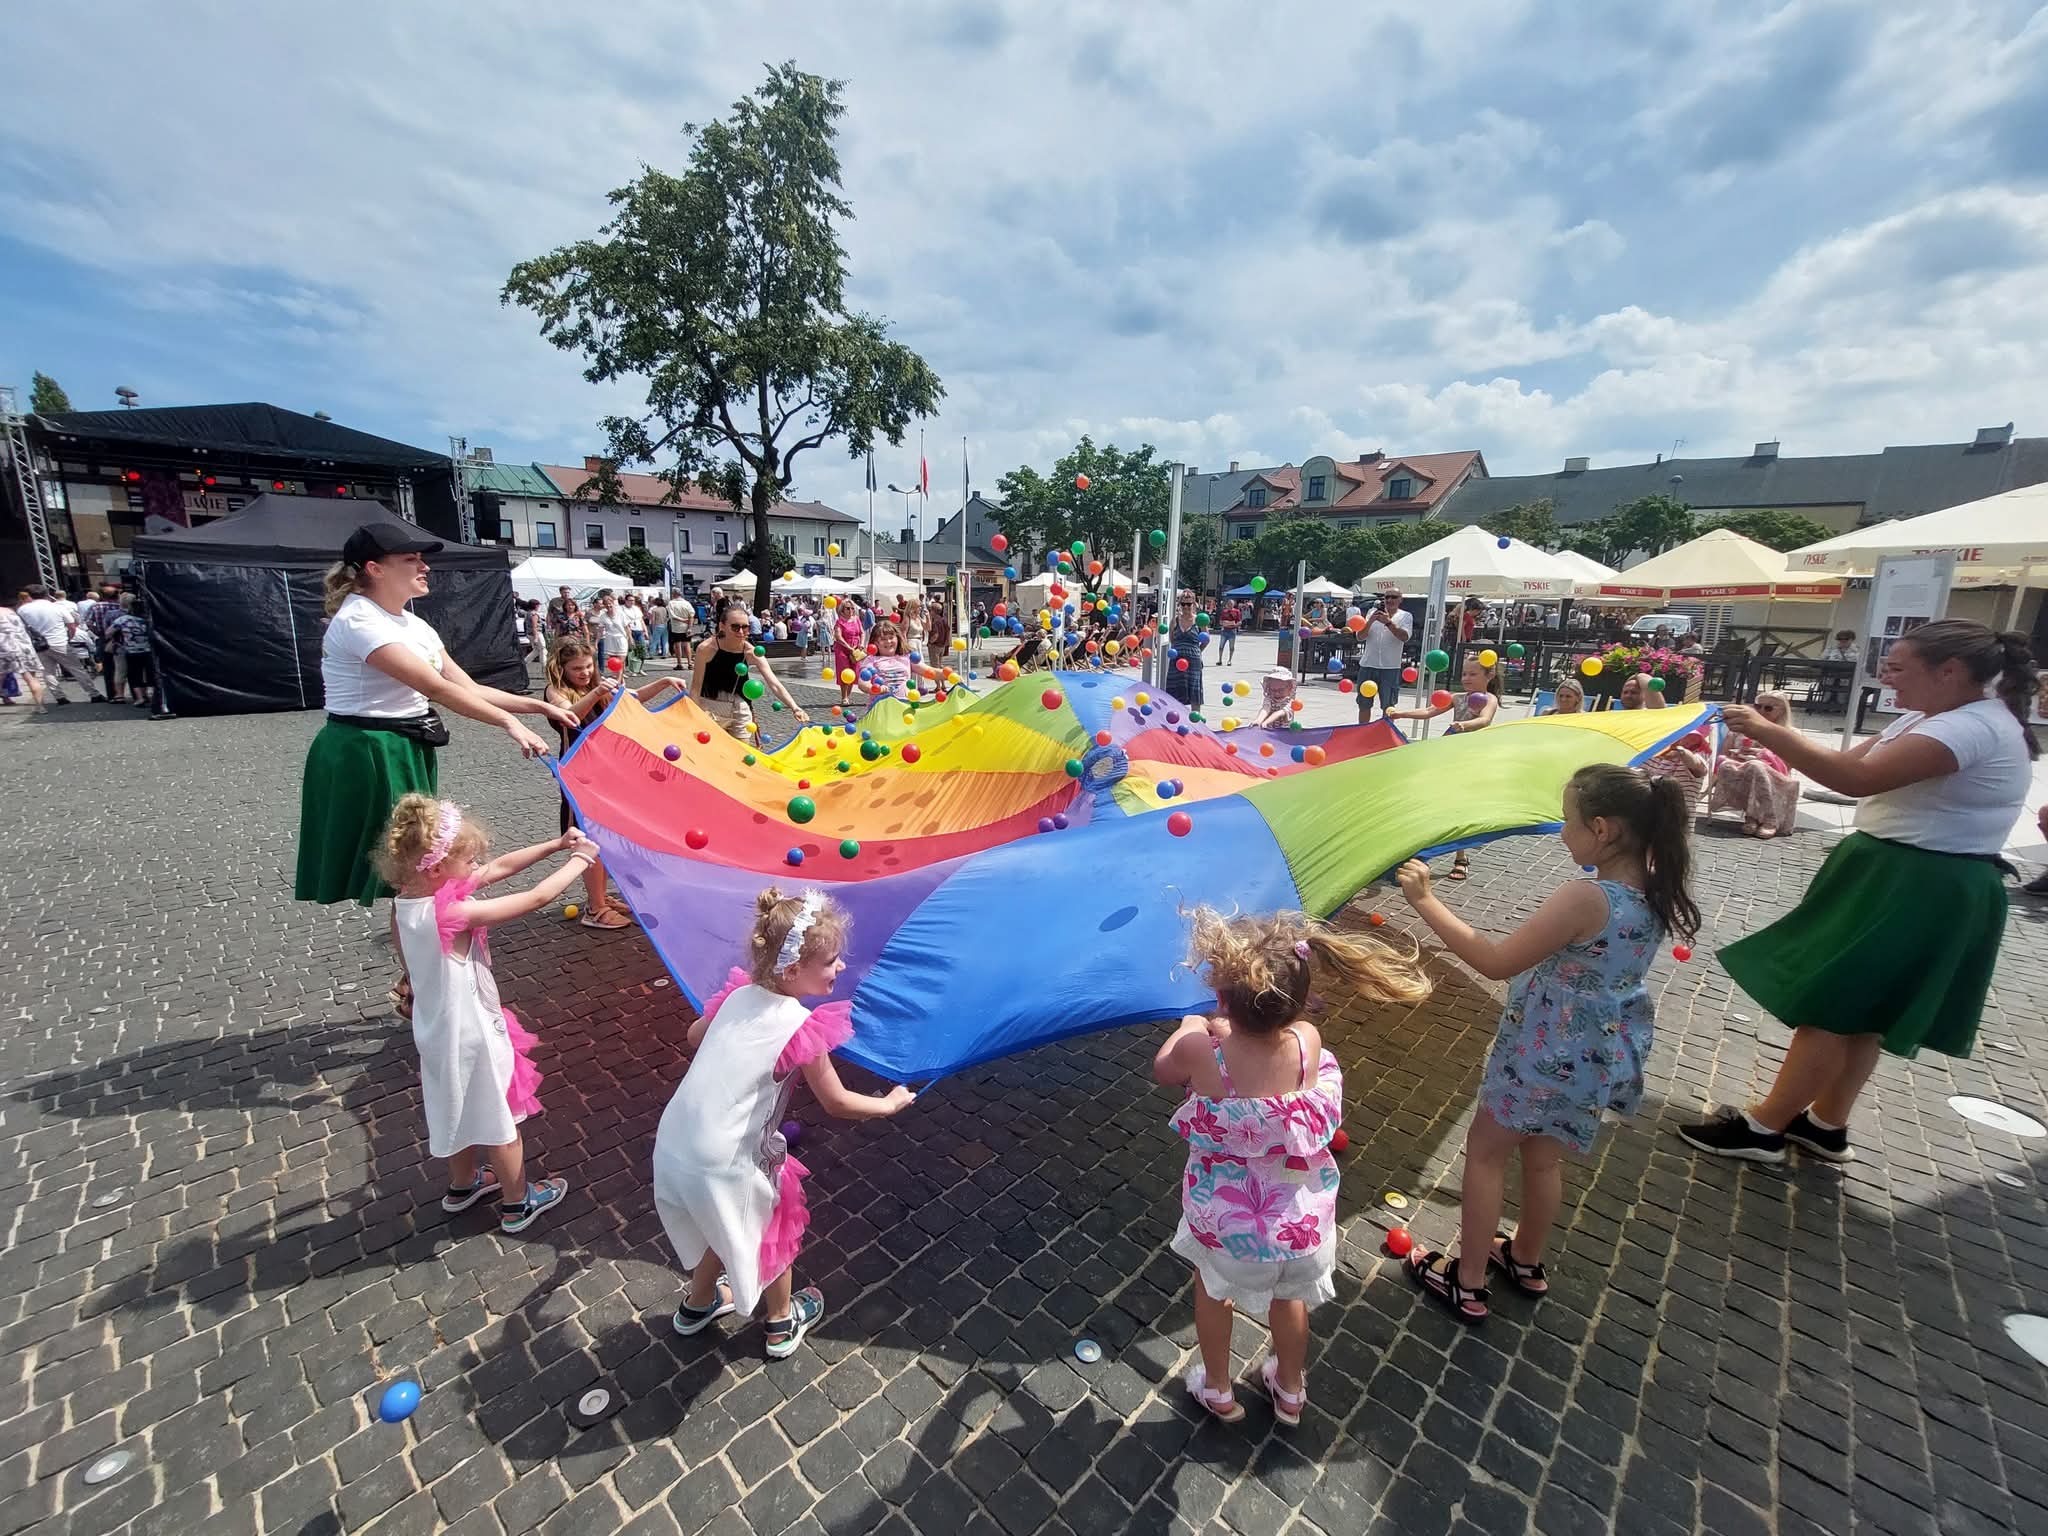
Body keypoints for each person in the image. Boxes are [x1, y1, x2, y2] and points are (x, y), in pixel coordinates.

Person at [1679, 621, 2038, 1165]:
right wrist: (1784, 730)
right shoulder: (1939, 718)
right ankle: (1825, 1123)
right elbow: (1851, 763)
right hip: (1907, 873)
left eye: (1898, 668)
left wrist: (1769, 733)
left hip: (1917, 880)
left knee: (1833, 1005)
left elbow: (1854, 780)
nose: (1885, 678)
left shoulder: (1969, 729)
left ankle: (1765, 1128)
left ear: (1949, 672)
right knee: (1866, 1011)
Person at [1396, 763, 1699, 1322]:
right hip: (1592, 1056)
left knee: (1486, 1155)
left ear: (1602, 830)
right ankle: (1525, 1259)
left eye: (1568, 820)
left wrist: (1424, 901)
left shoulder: (1586, 897)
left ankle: (1464, 1281)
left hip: (1543, 1051)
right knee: (1542, 1161)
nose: (1562, 832)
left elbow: (1495, 961)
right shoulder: (1656, 887)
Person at [1155, 906, 1429, 1422]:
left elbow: (1164, 1068)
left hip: (1229, 1225)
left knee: (1213, 1294)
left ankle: (1217, 1388)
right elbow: (1264, 1044)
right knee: (1290, 1301)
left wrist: (1194, 1026)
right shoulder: (1307, 1040)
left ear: (1220, 997)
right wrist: (1228, 1024)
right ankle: (1290, 1387)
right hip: (1299, 1224)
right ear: (1297, 1001)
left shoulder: (1201, 1050)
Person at [295, 524, 573, 1012]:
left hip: (403, 747)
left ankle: (417, 980)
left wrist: (538, 708)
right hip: (368, 752)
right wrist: (509, 723)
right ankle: (421, 983)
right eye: (411, 561)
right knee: (413, 875)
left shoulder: (413, 623)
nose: (424, 567)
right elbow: (438, 690)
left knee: (421, 872)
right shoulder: (360, 620)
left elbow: (463, 685)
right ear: (375, 570)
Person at [655, 888, 916, 1358]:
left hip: (677, 1143)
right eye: (832, 961)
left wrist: (727, 1023)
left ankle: (697, 1305)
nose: (840, 969)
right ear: (794, 970)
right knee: (773, 1221)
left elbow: (695, 1036)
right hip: (728, 1156)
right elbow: (837, 1103)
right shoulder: (800, 1026)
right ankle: (780, 1323)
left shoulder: (737, 993)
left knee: (726, 1217)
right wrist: (888, 1104)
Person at [380, 794, 582, 1234]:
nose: (478, 868)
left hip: (433, 1030)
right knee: (499, 1116)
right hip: (470, 1031)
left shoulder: (405, 903)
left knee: (456, 1104)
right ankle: (518, 1202)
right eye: (470, 861)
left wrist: (556, 844)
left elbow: (500, 868)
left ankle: (464, 1182)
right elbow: (536, 898)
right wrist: (582, 860)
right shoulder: (452, 912)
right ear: (436, 869)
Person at [545, 637, 683, 927]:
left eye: (587, 666)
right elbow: (570, 717)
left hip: (604, 773)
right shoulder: (556, 691)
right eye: (576, 668)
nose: (583, 672)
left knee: (605, 835)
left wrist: (664, 682)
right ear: (562, 668)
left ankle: (602, 896)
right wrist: (595, 691)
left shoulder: (596, 686)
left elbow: (631, 699)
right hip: (578, 775)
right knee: (588, 836)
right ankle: (594, 909)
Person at [1386, 654, 1502, 881]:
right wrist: (1401, 714)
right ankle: (1420, 852)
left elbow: (1485, 720)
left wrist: (1465, 724)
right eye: (1464, 673)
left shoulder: (1489, 699)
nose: (1466, 678)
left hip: (1472, 755)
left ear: (1490, 675)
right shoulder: (1457, 698)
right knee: (1436, 800)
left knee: (1460, 804)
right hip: (1451, 751)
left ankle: (1461, 856)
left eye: (1473, 674)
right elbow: (1430, 711)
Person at [694, 600, 810, 738]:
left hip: (740, 707)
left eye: (745, 627)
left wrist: (794, 707)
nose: (741, 632)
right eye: (735, 627)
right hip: (710, 706)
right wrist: (693, 715)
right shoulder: (706, 649)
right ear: (722, 626)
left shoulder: (751, 651)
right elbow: (696, 687)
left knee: (743, 754)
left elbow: (774, 683)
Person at [1709, 690, 1800, 837]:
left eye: (1768, 708)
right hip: (1742, 771)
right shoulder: (1741, 730)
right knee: (1727, 765)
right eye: (1758, 707)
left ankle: (1769, 819)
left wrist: (1762, 755)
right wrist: (1738, 755)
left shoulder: (1790, 733)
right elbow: (1724, 755)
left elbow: (1790, 764)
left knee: (1756, 766)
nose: (1762, 711)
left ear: (1782, 711)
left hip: (1775, 775)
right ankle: (1752, 817)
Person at [17, 584, 103, 704]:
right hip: (60, 642)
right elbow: (71, 626)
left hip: (38, 645)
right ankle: (94, 694)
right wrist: (69, 637)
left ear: (29, 595)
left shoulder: (22, 610)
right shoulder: (57, 607)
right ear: (46, 594)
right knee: (77, 669)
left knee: (48, 671)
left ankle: (60, 697)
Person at [1353, 589, 1412, 725]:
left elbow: (1404, 637)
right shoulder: (1371, 614)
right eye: (1387, 597)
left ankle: (1386, 733)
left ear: (1400, 599)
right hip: (1368, 665)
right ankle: (1362, 731)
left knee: (1389, 706)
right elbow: (1360, 637)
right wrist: (1371, 621)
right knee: (1364, 704)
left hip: (1390, 667)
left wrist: (1388, 622)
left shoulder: (1405, 616)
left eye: (1394, 597)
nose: (1390, 600)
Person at [111, 592, 155, 709]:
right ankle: (153, 696)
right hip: (148, 650)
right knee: (151, 674)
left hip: (131, 651)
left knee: (135, 675)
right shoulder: (148, 619)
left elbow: (108, 633)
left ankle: (139, 698)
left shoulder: (122, 620)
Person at [0, 600, 47, 708]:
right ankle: (41, 707)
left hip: (4, 648)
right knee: (31, 678)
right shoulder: (11, 612)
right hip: (25, 647)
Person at [1163, 591, 1205, 709]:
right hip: (1177, 661)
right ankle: (1176, 721)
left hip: (1193, 661)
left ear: (1194, 604)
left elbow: (1206, 639)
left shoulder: (1199, 620)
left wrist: (1197, 651)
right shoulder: (1175, 620)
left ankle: (1196, 723)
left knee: (1194, 693)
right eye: (1183, 604)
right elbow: (1172, 638)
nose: (1186, 607)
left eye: (1189, 604)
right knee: (1175, 692)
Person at [830, 599, 865, 708]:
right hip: (843, 649)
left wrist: (862, 644)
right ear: (842, 610)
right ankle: (844, 697)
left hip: (855, 649)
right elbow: (838, 636)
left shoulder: (857, 619)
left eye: (852, 608)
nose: (850, 610)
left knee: (853, 673)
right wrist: (848, 647)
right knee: (845, 672)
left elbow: (862, 632)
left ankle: (848, 697)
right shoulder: (840, 621)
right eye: (848, 608)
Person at [865, 619, 912, 698]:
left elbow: (929, 671)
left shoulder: (907, 657)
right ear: (875, 642)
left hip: (905, 705)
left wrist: (940, 673)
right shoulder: (871, 660)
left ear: (897, 639)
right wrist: (876, 689)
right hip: (882, 705)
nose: (888, 641)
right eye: (883, 639)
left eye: (891, 637)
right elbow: (863, 683)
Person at [592, 591, 631, 675]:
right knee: (613, 665)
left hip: (621, 639)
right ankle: (620, 683)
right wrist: (596, 642)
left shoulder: (621, 614)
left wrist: (630, 639)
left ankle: (618, 685)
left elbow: (627, 627)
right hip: (610, 640)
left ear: (613, 604)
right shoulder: (603, 616)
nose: (608, 606)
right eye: (606, 605)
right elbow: (600, 631)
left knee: (620, 664)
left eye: (610, 604)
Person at [545, 586, 584, 650]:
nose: (567, 594)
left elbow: (577, 612)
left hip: (571, 627)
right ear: (560, 592)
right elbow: (549, 613)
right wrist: (548, 624)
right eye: (565, 592)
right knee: (558, 644)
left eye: (568, 593)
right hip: (558, 625)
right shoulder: (554, 601)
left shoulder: (572, 601)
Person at [1218, 599, 1243, 664]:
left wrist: (1235, 625)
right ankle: (1220, 660)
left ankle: (1230, 660)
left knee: (1231, 647)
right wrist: (1223, 623)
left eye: (1231, 604)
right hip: (1224, 630)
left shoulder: (1237, 611)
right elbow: (1220, 621)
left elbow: (1240, 621)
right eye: (1229, 604)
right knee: (1221, 646)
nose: (1230, 605)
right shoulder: (1224, 612)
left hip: (1232, 631)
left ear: (1233, 604)